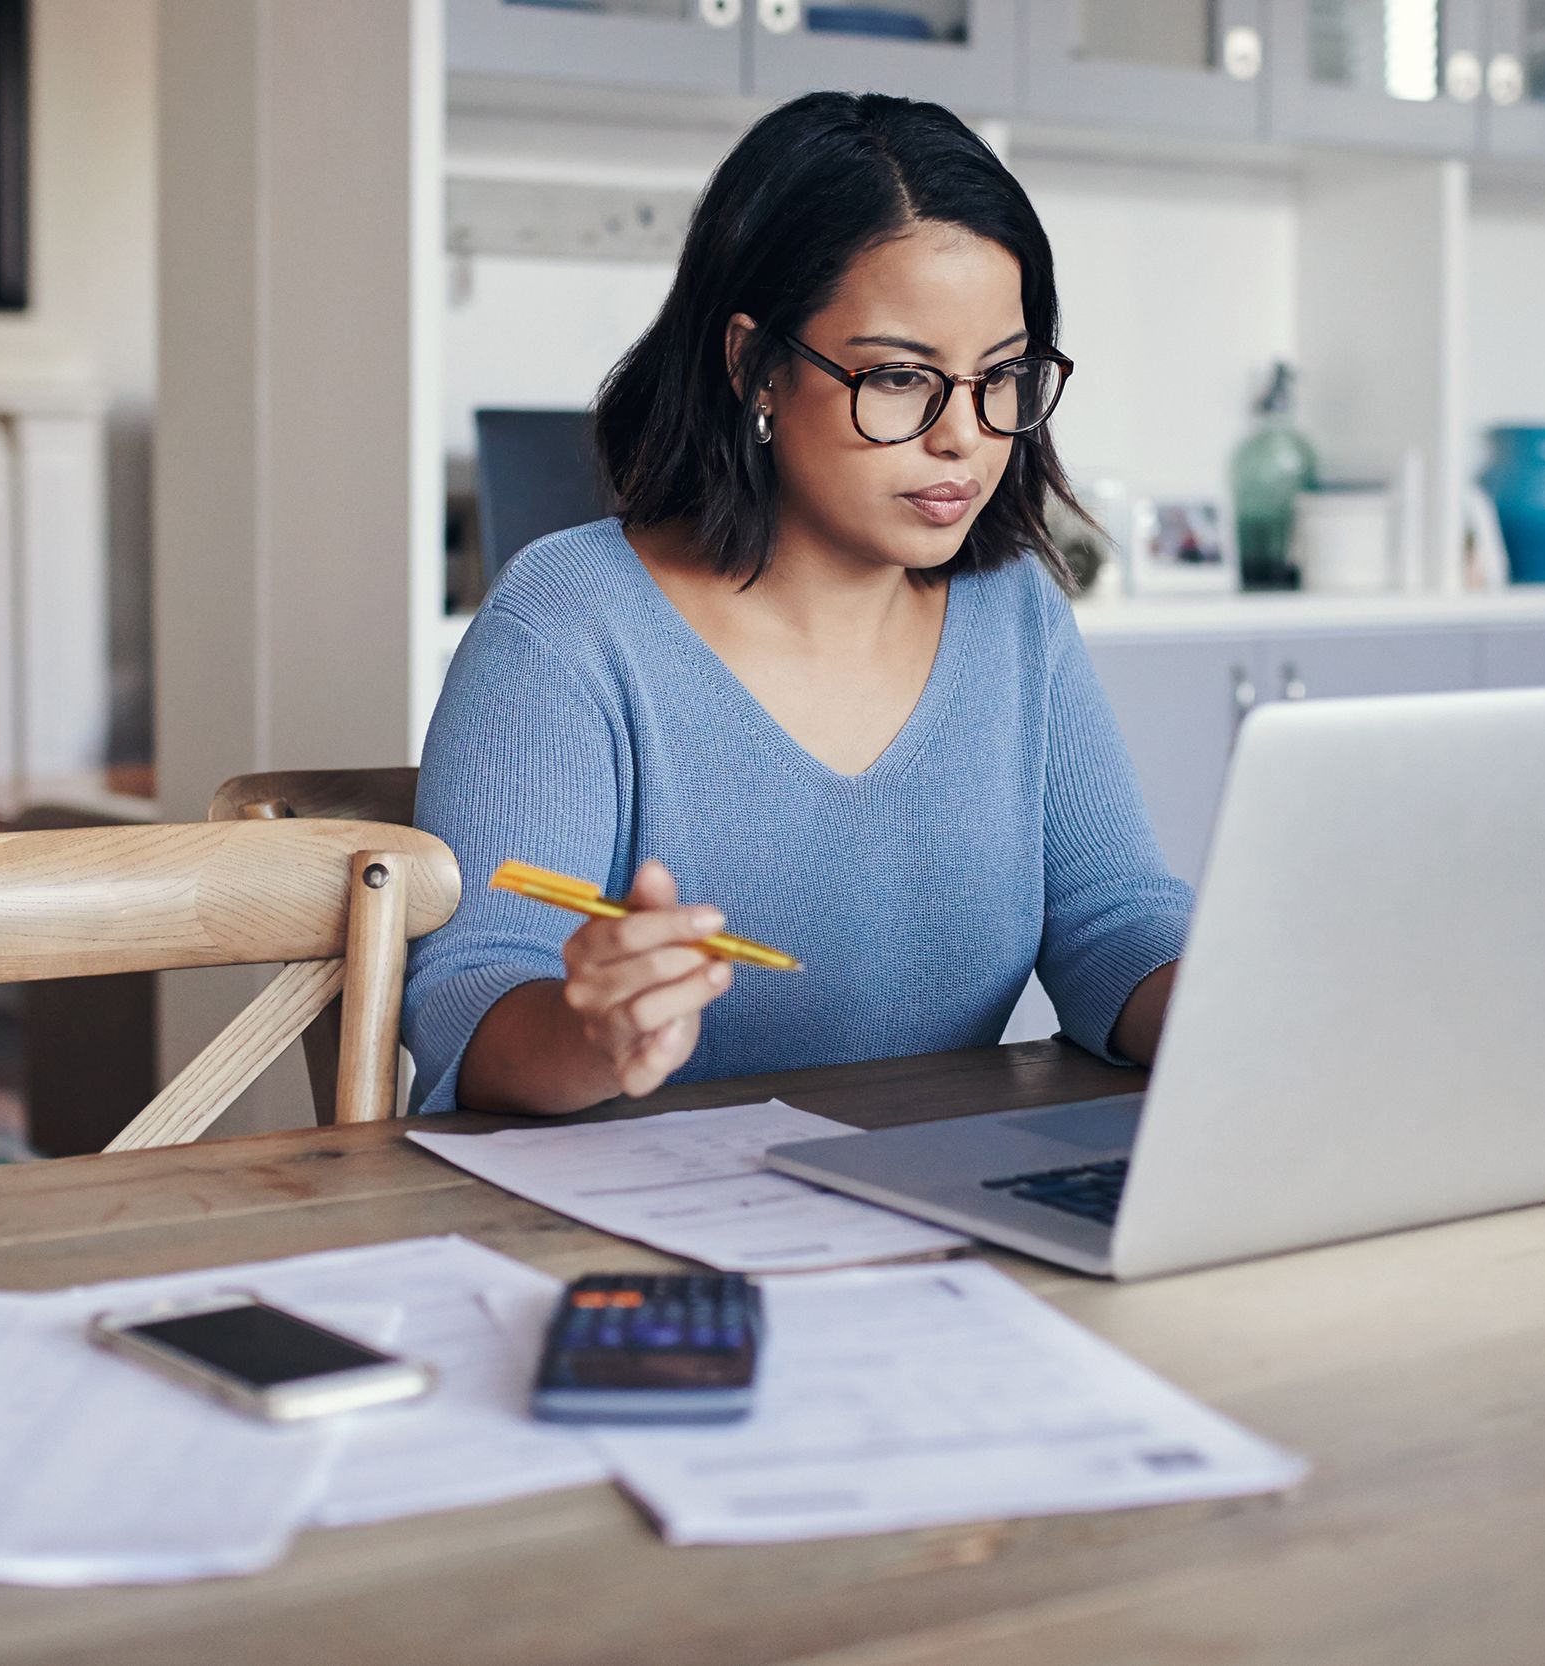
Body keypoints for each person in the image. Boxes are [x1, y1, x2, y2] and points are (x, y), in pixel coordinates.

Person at [404, 90, 1193, 1117]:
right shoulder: (569, 623)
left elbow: (1111, 922)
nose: (963, 435)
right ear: (756, 366)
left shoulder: (1015, 615)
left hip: (926, 1211)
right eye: (903, 378)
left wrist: (1250, 1009)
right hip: (632, 1239)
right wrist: (590, 1031)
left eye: (1002, 376)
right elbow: (470, 1003)